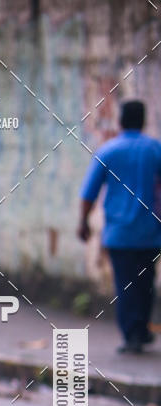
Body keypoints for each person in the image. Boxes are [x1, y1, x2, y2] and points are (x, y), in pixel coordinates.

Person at [78, 99, 161, 353]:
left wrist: (83, 223)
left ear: (121, 120)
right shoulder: (155, 149)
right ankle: (142, 328)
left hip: (119, 233)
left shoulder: (108, 151)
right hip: (150, 232)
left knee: (125, 284)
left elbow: (89, 193)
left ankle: (131, 334)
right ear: (143, 119)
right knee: (146, 282)